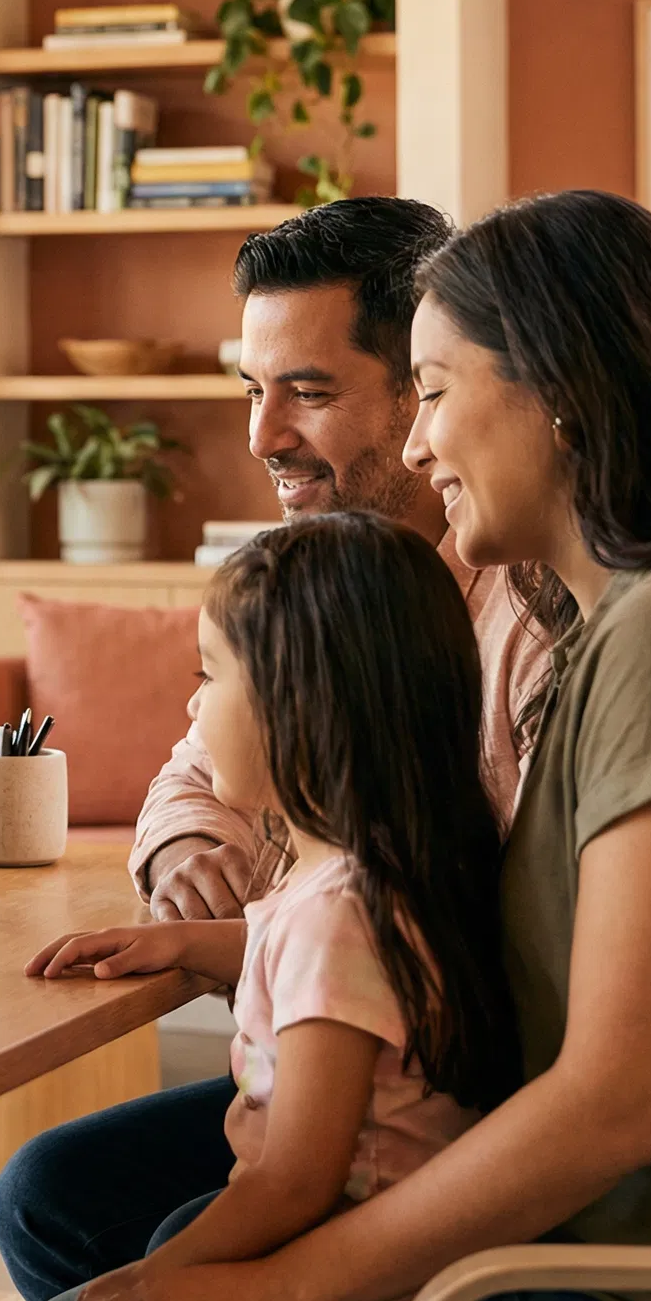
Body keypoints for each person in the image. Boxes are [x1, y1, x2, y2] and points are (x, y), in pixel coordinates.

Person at [72, 189, 651, 1301]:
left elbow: (621, 1107)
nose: (421, 441)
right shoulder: (609, 622)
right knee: (77, 1206)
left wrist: (278, 1290)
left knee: (140, 1268)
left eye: (433, 393)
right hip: (537, 1170)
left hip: (623, 1273)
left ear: (562, 396)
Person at [2, 516, 518, 1301]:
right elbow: (328, 976)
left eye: (210, 676)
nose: (192, 703)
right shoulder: (376, 874)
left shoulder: (340, 915)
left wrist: (159, 1280)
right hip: (336, 1213)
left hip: (350, 1246)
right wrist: (185, 940)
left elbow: (296, 1180)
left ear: (300, 706)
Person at [132, 197, 546, 922]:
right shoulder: (312, 584)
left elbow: (517, 923)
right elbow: (192, 775)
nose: (262, 438)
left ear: (421, 389)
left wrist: (256, 943)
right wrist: (190, 858)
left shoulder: (532, 614)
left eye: (309, 393)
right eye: (255, 392)